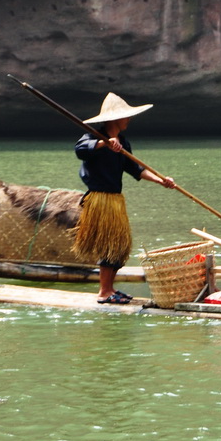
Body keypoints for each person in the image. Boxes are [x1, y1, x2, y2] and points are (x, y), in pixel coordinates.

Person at [73, 92, 176, 304]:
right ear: (115, 119)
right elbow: (80, 150)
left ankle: (110, 288)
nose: (128, 120)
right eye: (125, 116)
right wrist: (105, 144)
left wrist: (161, 180)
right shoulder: (93, 137)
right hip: (100, 199)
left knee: (120, 247)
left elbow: (136, 169)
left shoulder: (124, 144)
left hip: (115, 200)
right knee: (109, 244)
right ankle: (103, 292)